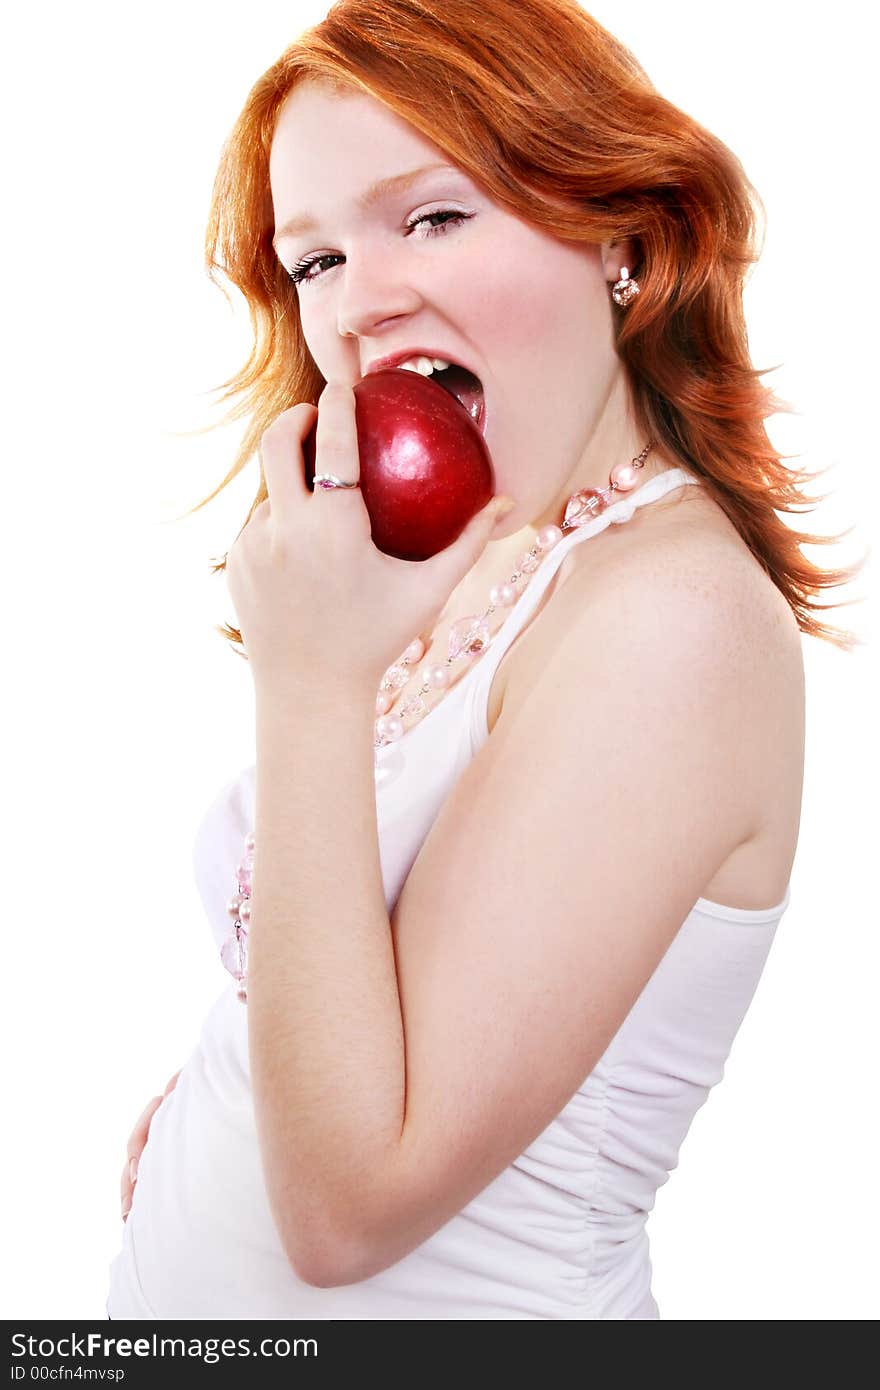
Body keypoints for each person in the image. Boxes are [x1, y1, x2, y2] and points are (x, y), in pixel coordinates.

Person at [108, 0, 860, 1320]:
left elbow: (349, 1209)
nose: (362, 302)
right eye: (318, 258)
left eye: (435, 216)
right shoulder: (491, 560)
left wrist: (309, 680)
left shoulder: (671, 616)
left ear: (618, 232)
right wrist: (230, 1094)